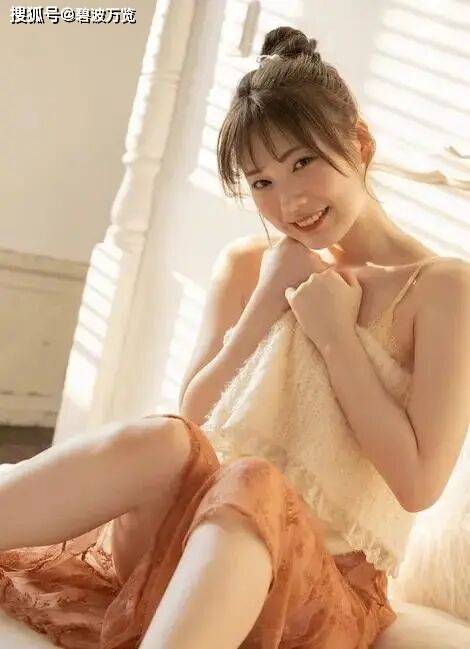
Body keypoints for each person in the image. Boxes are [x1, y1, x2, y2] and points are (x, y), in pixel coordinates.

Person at [0, 25, 468, 649]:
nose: (289, 201)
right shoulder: (252, 265)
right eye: (261, 182)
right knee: (166, 437)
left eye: (302, 162)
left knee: (252, 480)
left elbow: (418, 485)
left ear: (359, 143)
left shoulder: (441, 289)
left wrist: (336, 337)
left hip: (313, 586)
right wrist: (267, 300)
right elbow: (193, 420)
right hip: (184, 548)